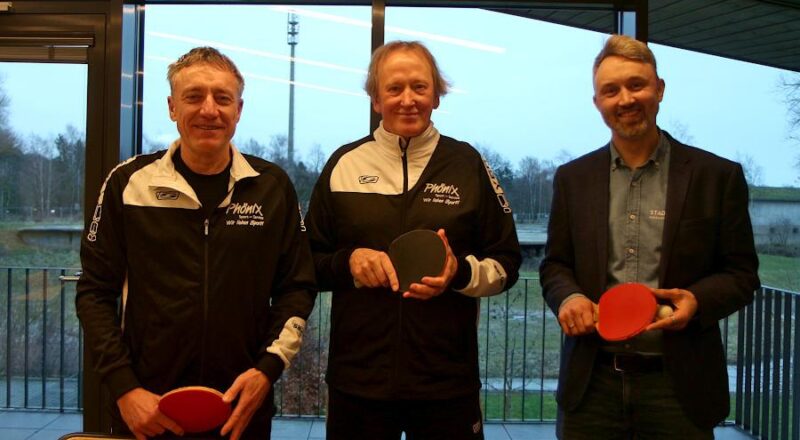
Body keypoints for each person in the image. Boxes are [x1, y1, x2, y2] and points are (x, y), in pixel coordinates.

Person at [76, 47, 317, 440]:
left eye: (222, 98)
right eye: (194, 97)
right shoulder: (129, 184)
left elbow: (297, 288)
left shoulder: (272, 187)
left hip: (241, 408)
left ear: (238, 110)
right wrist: (124, 389)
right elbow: (94, 293)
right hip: (146, 410)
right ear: (172, 107)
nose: (209, 110)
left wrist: (267, 371)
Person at [539, 34, 760, 439]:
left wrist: (697, 301)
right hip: (592, 386)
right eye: (611, 90)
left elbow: (742, 275)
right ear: (597, 103)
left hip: (679, 388)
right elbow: (555, 265)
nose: (625, 99)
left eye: (636, 85)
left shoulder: (717, 177)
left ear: (659, 89)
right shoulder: (573, 179)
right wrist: (568, 296)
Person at [305, 40, 522, 440]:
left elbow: (507, 264)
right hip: (358, 384)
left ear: (436, 96)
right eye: (394, 88)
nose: (408, 100)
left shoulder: (468, 165)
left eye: (420, 88)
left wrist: (459, 274)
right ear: (375, 99)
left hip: (447, 384)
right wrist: (348, 263)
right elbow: (305, 263)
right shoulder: (343, 164)